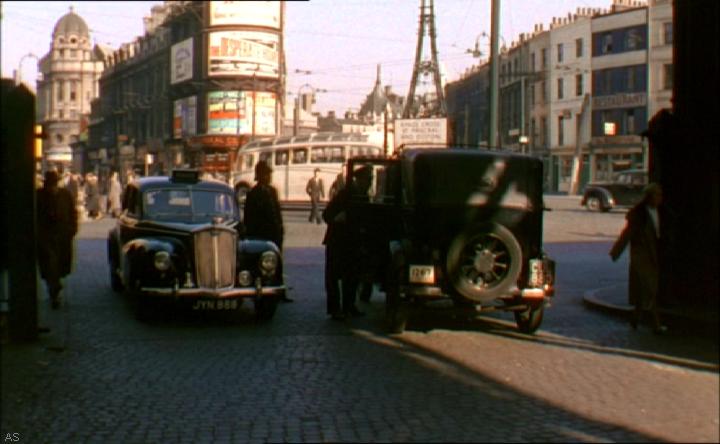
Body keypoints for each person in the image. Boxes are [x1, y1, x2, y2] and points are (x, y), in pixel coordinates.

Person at [610, 182, 668, 334]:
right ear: (649, 197)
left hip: (654, 254)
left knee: (643, 292)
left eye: (660, 195)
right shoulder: (639, 214)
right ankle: (656, 324)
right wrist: (616, 251)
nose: (659, 198)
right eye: (657, 195)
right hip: (641, 256)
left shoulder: (662, 212)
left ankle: (635, 318)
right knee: (651, 290)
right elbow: (627, 234)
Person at [322, 165, 373, 320]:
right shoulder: (346, 194)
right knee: (333, 276)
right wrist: (337, 218)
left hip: (351, 242)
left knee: (351, 276)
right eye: (368, 179)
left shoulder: (363, 196)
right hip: (337, 241)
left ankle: (349, 306)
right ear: (360, 179)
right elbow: (327, 214)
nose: (370, 182)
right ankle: (335, 309)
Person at [244, 160, 293, 302]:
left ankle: (280, 291)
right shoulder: (253, 194)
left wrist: (280, 227)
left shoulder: (272, 191)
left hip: (274, 233)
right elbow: (249, 217)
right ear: (260, 176)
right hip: (262, 234)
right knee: (264, 263)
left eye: (269, 174)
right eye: (266, 174)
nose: (269, 176)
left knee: (278, 262)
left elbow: (276, 211)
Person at [37, 170, 78, 309]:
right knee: (50, 263)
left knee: (60, 265)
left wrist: (72, 230)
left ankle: (54, 287)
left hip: (62, 236)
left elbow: (73, 213)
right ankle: (54, 291)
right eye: (50, 185)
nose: (52, 188)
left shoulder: (65, 195)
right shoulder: (39, 195)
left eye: (53, 184)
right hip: (46, 237)